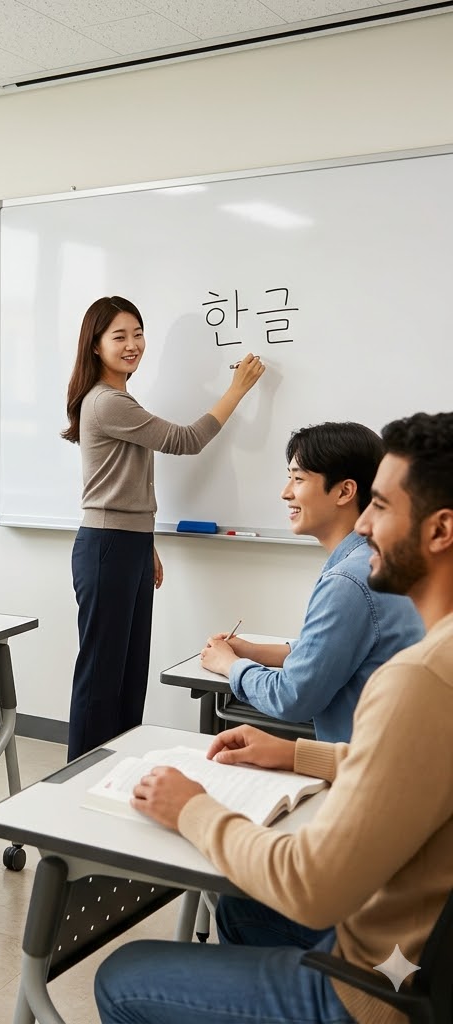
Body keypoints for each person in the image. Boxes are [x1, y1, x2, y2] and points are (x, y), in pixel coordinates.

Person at [94, 410, 453, 1024]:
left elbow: (311, 887)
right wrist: (294, 753)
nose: (365, 523)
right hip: (413, 946)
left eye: (383, 507)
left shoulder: (418, 677)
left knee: (120, 976)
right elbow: (407, 761)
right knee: (237, 908)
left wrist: (191, 807)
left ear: (440, 530)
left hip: (372, 988)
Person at [62, 296, 265, 760]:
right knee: (101, 674)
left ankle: (120, 768)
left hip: (127, 545)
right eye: (119, 336)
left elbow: (127, 484)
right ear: (95, 346)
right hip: (106, 547)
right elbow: (185, 440)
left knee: (131, 672)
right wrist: (238, 388)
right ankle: (78, 778)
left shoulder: (121, 399)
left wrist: (146, 543)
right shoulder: (106, 402)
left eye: (138, 333)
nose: (133, 344)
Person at [200, 421, 423, 741]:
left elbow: (292, 697)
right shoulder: (376, 559)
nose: (285, 492)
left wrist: (230, 665)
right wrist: (252, 651)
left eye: (298, 479)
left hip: (356, 768)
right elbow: (327, 651)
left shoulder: (349, 580)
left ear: (345, 491)